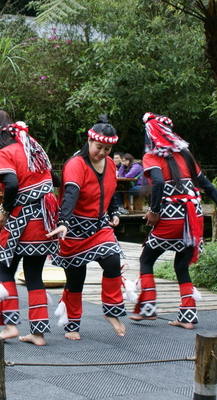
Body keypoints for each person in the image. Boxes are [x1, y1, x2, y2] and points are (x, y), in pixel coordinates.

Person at [129, 112, 217, 329]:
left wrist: (154, 211)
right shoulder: (185, 154)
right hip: (194, 217)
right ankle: (187, 317)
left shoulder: (153, 156)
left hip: (172, 216)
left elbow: (158, 183)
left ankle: (147, 308)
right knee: (181, 265)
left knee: (146, 260)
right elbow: (204, 182)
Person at [47, 115, 127, 340]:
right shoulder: (76, 164)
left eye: (108, 149)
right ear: (89, 141)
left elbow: (110, 190)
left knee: (112, 261)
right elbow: (70, 194)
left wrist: (114, 212)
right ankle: (72, 325)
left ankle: (111, 312)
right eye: (99, 147)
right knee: (75, 278)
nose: (102, 152)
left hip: (100, 225)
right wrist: (63, 222)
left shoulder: (110, 164)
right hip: (73, 226)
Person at [0, 111, 59, 346]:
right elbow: (54, 178)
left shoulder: (5, 153)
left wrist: (4, 210)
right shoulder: (32, 148)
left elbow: (11, 183)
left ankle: (9, 325)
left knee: (6, 269)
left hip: (21, 221)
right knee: (34, 276)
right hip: (44, 221)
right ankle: (38, 333)